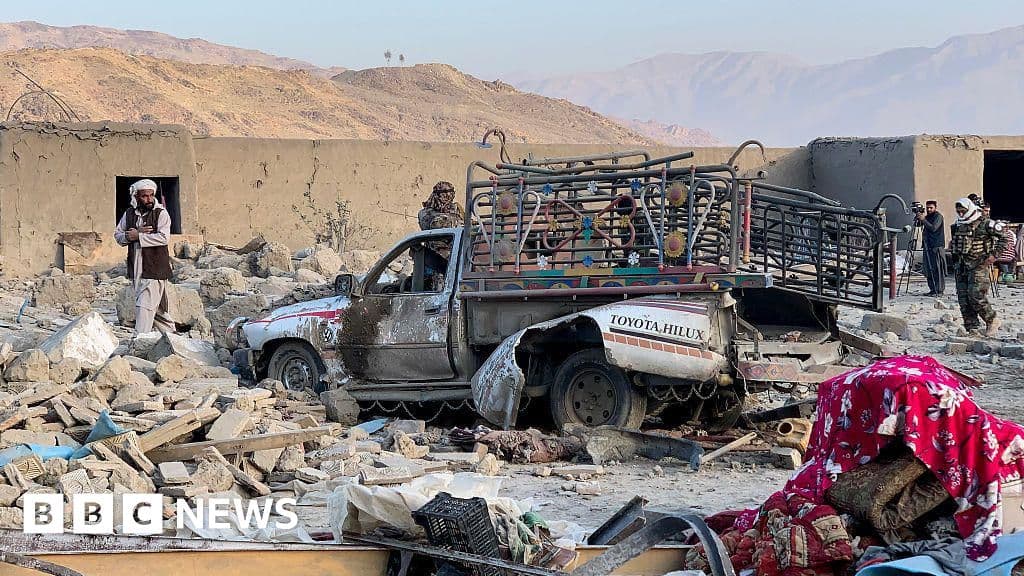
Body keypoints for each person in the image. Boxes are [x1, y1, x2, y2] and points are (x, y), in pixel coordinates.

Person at [114, 179, 175, 333]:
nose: (149, 199)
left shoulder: (161, 213)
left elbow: (163, 237)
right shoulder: (129, 214)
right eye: (144, 196)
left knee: (144, 306)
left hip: (154, 269)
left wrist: (138, 236)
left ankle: (139, 341)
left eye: (151, 195)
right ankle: (173, 337)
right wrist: (130, 236)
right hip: (136, 269)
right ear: (136, 197)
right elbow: (118, 235)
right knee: (156, 311)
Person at [949, 197, 1007, 337]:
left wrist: (994, 255)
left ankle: (992, 320)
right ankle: (972, 327)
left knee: (976, 295)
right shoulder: (958, 224)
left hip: (979, 264)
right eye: (959, 211)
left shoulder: (985, 223)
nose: (961, 214)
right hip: (961, 266)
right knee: (963, 298)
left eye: (963, 211)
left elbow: (1004, 238)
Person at [915, 200, 946, 295]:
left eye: (931, 208)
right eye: (927, 207)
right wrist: (918, 217)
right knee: (929, 269)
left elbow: (933, 228)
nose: (929, 209)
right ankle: (932, 289)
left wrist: (923, 219)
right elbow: (917, 226)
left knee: (937, 269)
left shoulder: (938, 216)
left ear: (935, 208)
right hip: (927, 246)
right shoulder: (927, 217)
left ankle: (939, 290)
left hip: (936, 246)